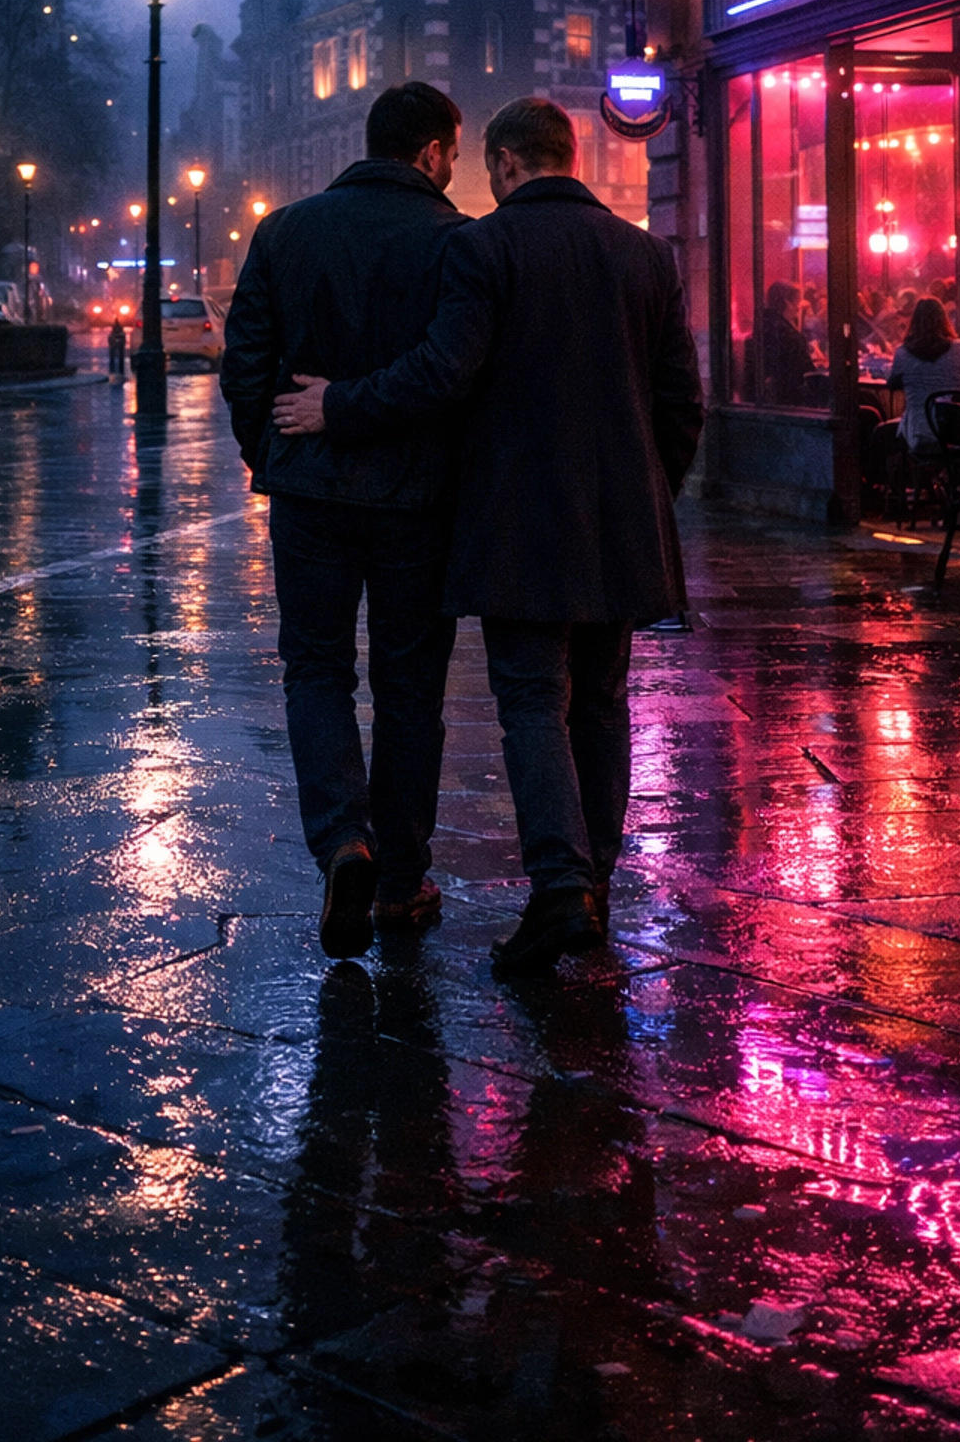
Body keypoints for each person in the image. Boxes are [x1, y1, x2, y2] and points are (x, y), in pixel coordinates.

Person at [274, 96, 704, 978]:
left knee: (533, 700)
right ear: (570, 156)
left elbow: (442, 373)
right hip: (622, 524)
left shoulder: (485, 246)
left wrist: (337, 406)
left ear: (506, 163)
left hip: (520, 521)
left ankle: (560, 885)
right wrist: (649, 491)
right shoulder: (647, 255)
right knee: (601, 703)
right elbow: (681, 402)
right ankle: (594, 884)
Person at [220, 82, 465, 961]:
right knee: (410, 687)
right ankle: (400, 880)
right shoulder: (455, 238)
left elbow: (244, 363)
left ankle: (342, 841)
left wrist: (270, 451)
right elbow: (454, 373)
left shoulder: (285, 231)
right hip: (417, 498)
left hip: (310, 493)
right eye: (452, 154)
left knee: (316, 670)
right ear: (431, 151)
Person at [886, 295, 960, 450]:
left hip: (919, 433)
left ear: (914, 321)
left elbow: (892, 384)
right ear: (944, 320)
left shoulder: (902, 352)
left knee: (882, 434)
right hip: (956, 432)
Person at [106, 316, 127, 380]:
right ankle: (120, 370)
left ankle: (112, 369)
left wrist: (111, 343)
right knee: (120, 358)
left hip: (114, 345)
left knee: (113, 358)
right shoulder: (121, 331)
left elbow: (110, 339)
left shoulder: (113, 332)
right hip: (120, 345)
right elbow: (123, 338)